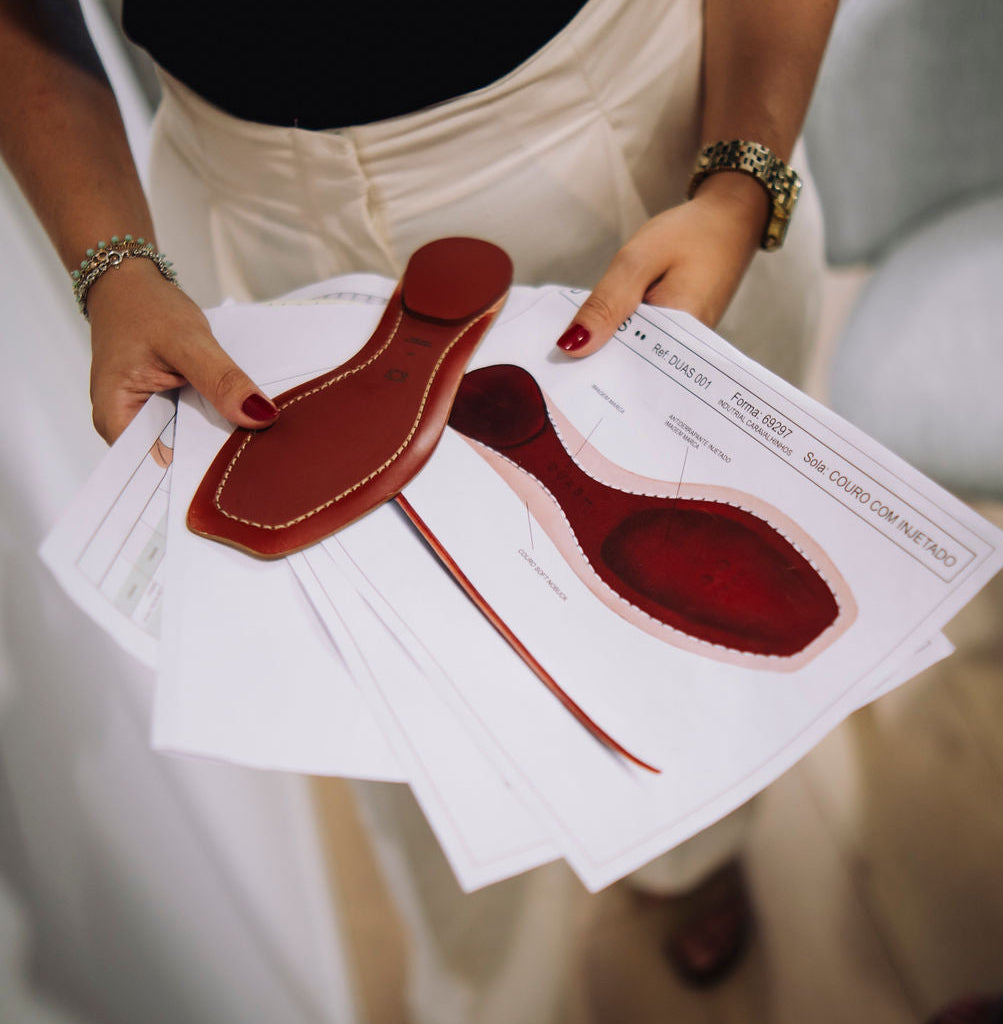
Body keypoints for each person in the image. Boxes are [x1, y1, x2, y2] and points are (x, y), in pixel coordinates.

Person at [0, 0, 839, 1020]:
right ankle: (484, 974)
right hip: (245, 210)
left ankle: (690, 845)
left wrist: (743, 179)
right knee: (393, 701)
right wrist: (112, 262)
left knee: (671, 639)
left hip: (618, 143)